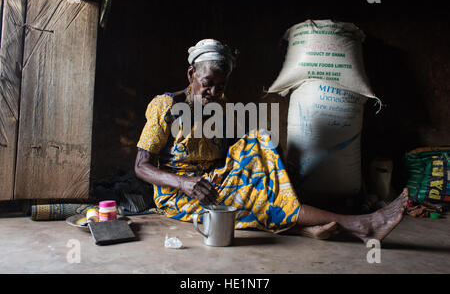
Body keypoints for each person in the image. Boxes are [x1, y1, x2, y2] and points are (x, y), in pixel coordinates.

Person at [134, 39, 408, 242]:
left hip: (213, 179)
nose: (213, 92)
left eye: (221, 86)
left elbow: (233, 147)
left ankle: (306, 226)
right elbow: (141, 166)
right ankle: (361, 225)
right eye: (207, 83)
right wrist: (185, 183)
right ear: (191, 74)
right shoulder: (165, 106)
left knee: (260, 142)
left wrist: (269, 158)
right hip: (179, 192)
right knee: (254, 195)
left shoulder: (219, 104)